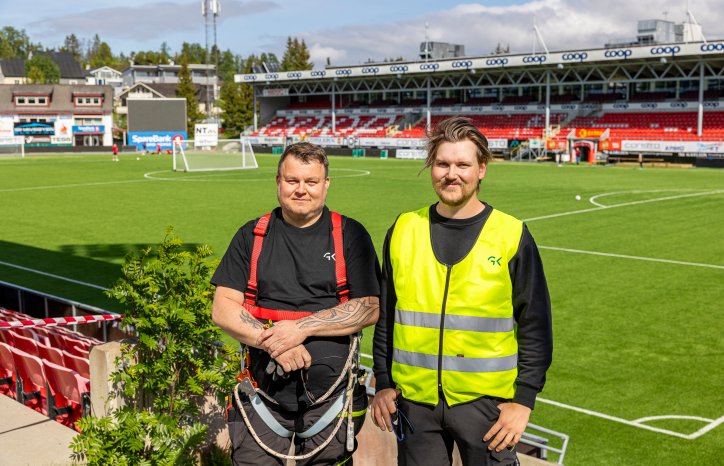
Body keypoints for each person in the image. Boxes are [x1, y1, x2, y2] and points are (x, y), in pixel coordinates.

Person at [371, 117, 553, 466]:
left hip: (487, 409)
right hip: (414, 405)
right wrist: (382, 382)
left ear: (482, 168)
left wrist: (524, 400)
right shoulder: (404, 229)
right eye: (442, 163)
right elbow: (387, 316)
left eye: (462, 164)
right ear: (431, 167)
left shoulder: (511, 234)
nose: (451, 173)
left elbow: (536, 324)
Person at [212, 142, 381, 465]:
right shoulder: (252, 236)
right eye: (292, 181)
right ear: (278, 182)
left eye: (311, 182)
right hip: (262, 400)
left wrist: (299, 330)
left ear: (326, 184)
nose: (301, 190)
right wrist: (277, 343)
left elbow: (369, 306)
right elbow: (223, 309)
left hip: (330, 402)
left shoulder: (349, 235)